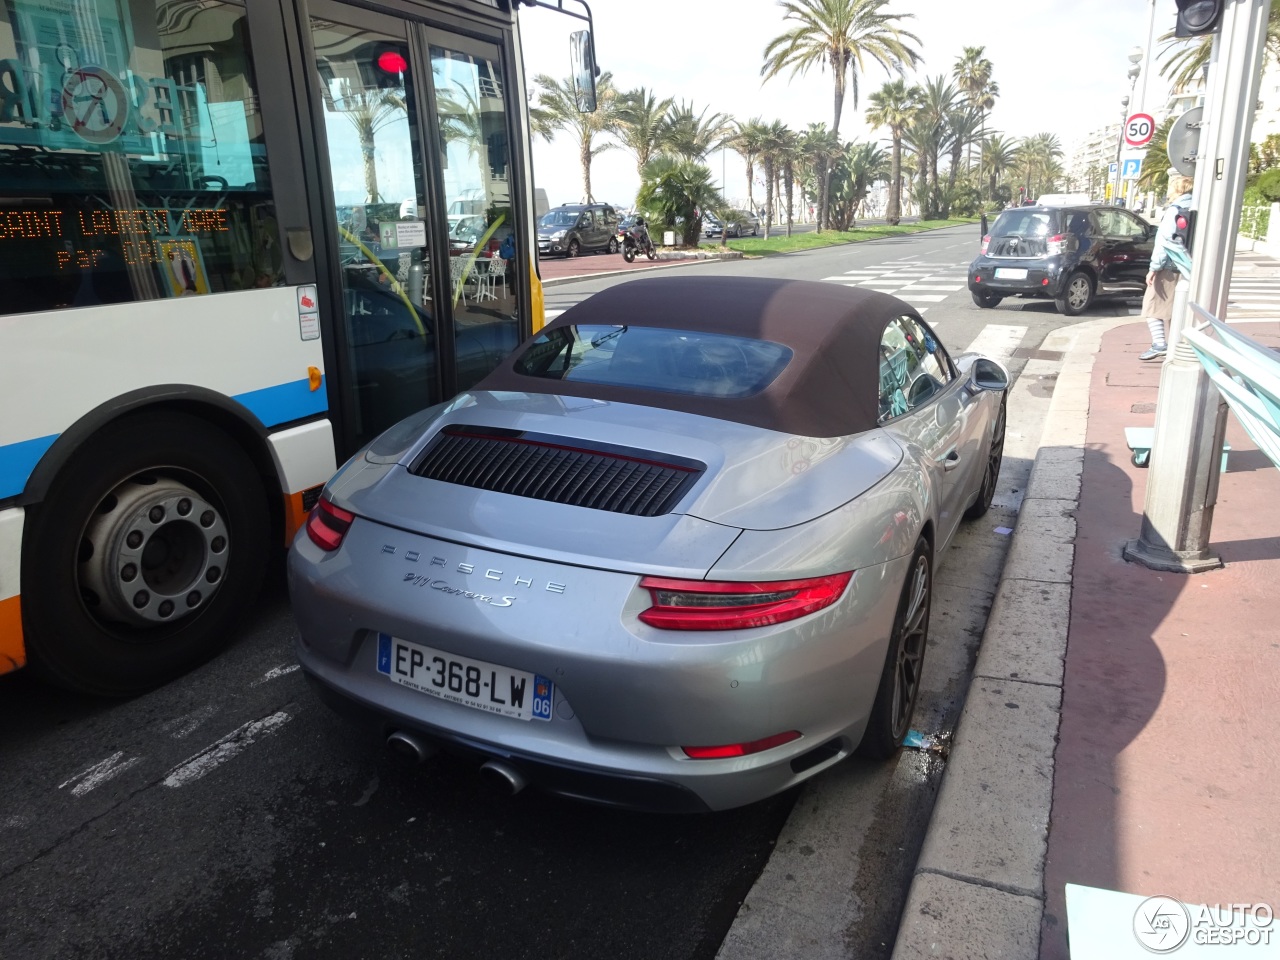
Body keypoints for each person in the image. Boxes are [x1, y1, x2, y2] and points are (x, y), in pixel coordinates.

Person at [1139, 175, 1195, 361]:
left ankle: (1160, 344)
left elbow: (1164, 242)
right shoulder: (1196, 207)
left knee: (1152, 305)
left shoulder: (1175, 210)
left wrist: (1153, 268)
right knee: (1175, 310)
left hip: (1169, 267)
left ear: (1178, 189)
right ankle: (1176, 346)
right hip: (1188, 266)